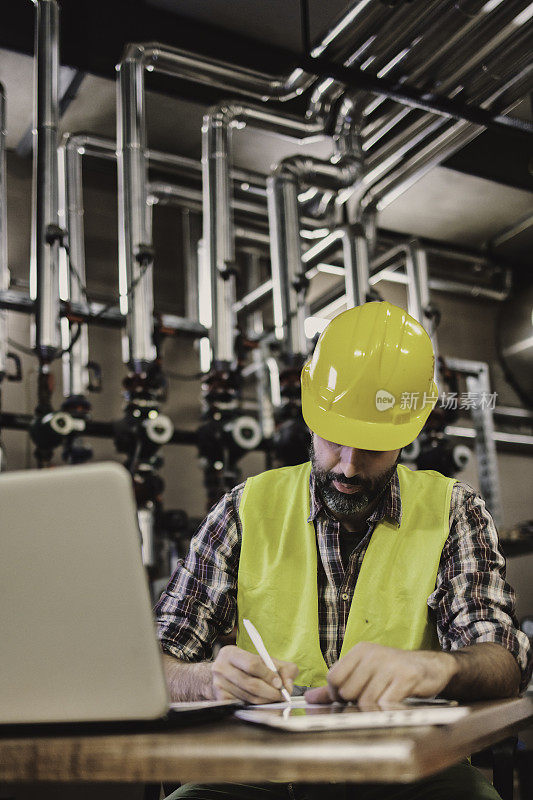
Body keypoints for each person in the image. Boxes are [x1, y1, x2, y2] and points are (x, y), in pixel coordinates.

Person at [155, 301, 532, 800]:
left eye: (372, 447)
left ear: (408, 435)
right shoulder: (245, 510)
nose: (349, 467)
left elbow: (505, 663)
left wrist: (438, 668)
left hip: (409, 771)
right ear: (312, 418)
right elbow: (153, 664)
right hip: (255, 775)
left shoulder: (453, 512)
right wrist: (205, 681)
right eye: (335, 441)